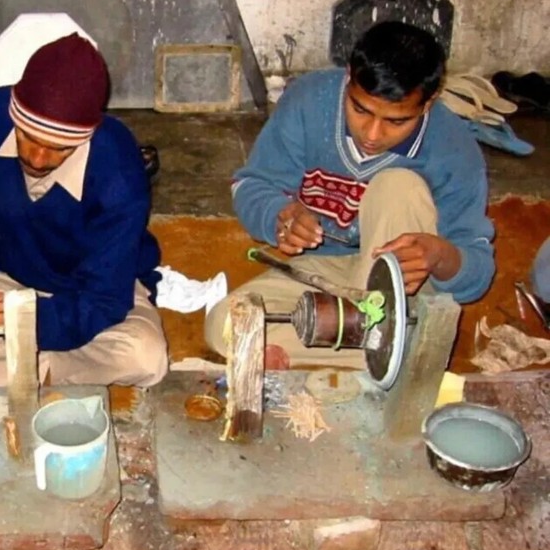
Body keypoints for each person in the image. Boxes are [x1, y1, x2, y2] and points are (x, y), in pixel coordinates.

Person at [205, 21, 495, 368]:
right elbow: (251, 184)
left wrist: (439, 256)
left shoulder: (453, 147)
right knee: (225, 325)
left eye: (396, 121)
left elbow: (476, 272)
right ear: (348, 79)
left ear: (429, 102)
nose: (372, 134)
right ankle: (389, 352)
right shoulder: (309, 101)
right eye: (360, 110)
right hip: (324, 275)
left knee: (396, 186)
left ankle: (379, 344)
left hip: (404, 293)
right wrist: (278, 215)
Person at [0, 33, 168, 388]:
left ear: (85, 137)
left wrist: (29, 322)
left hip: (94, 289)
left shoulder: (119, 172)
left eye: (58, 148)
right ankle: (57, 368)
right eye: (28, 137)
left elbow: (105, 298)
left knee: (147, 358)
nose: (37, 159)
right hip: (11, 277)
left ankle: (29, 368)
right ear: (13, 116)